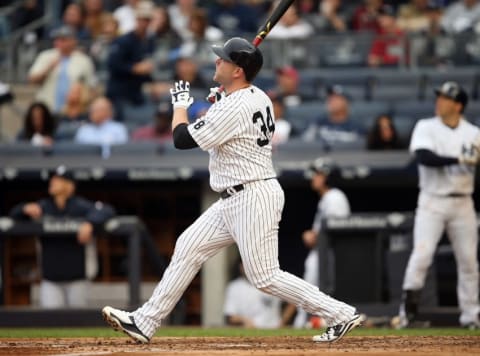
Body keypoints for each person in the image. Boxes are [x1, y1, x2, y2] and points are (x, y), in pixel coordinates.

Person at [102, 36, 364, 344]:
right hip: (235, 196)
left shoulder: (234, 107)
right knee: (188, 246)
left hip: (252, 195)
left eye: (223, 59)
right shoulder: (258, 96)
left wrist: (180, 106)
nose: (216, 62)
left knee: (264, 276)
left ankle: (340, 313)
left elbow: (181, 139)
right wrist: (222, 99)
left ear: (238, 70)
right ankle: (146, 321)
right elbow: (231, 118)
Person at [396, 81, 480, 329]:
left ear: (458, 105)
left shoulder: (474, 133)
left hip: (463, 201)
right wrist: (459, 158)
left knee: (469, 262)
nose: (439, 102)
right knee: (421, 257)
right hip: (432, 201)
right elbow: (424, 157)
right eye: (439, 97)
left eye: (445, 99)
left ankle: (471, 317)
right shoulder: (426, 127)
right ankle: (407, 315)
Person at [9, 165, 115, 308]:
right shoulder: (44, 206)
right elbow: (13, 214)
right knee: (50, 323)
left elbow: (107, 210)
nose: (53, 181)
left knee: (78, 322)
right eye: (53, 179)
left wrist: (90, 223)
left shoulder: (80, 206)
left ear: (70, 186)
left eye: (59, 179)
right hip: (50, 279)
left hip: (77, 279)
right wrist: (24, 208)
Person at [291, 157, 351, 329]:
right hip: (321, 253)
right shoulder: (327, 199)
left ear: (328, 177)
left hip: (330, 253)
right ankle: (303, 323)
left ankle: (304, 324)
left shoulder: (335, 197)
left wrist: (315, 235)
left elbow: (338, 228)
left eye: (318, 174)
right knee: (309, 293)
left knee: (313, 293)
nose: (314, 178)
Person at [106, 0, 156, 121]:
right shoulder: (124, 40)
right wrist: (134, 68)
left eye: (147, 20)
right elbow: (112, 64)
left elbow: (146, 66)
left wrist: (152, 82)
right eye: (141, 19)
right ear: (136, 20)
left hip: (136, 91)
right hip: (119, 92)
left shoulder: (149, 42)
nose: (144, 23)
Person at [28, 25, 96, 113]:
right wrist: (48, 69)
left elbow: (91, 87)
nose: (58, 42)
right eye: (57, 39)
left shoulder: (84, 60)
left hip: (73, 111)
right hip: (47, 109)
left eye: (63, 40)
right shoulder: (45, 56)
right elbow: (32, 80)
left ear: (73, 41)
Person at [224, 259, 284, 329]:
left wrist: (283, 321)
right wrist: (244, 320)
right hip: (250, 330)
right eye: (246, 265)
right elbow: (230, 316)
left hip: (273, 329)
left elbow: (293, 301)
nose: (249, 269)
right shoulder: (234, 287)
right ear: (240, 267)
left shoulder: (273, 282)